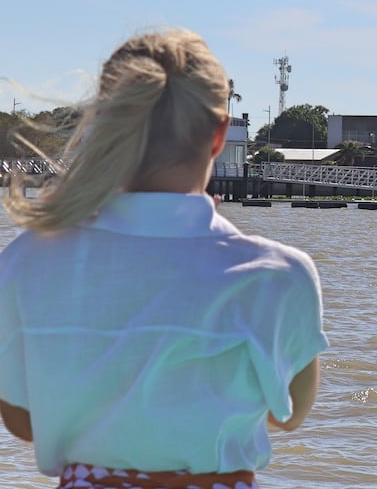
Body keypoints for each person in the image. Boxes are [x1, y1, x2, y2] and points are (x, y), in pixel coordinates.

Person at [0, 29, 328, 489]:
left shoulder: (26, 260)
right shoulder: (277, 275)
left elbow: (21, 421)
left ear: (107, 126)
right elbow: (289, 414)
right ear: (218, 135)